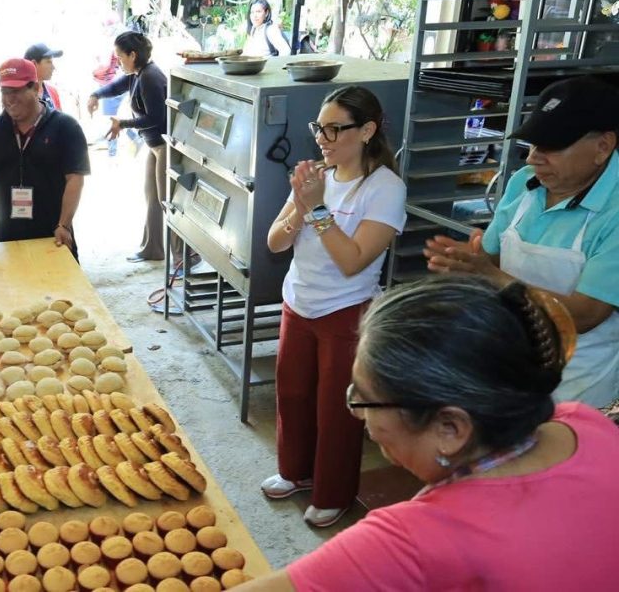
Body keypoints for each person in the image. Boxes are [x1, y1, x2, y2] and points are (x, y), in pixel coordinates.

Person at [232, 275, 619, 591]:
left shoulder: (415, 541)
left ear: (450, 429)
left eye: (365, 400)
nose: (358, 415)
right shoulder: (585, 422)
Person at [425, 75, 619, 408]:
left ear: (602, 146)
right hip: (506, 364)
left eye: (551, 146)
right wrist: (466, 262)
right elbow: (490, 257)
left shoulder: (613, 210)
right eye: (532, 145)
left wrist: (493, 277)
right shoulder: (524, 183)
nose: (533, 158)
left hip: (576, 387)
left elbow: (585, 314)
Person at [263, 86, 406, 528]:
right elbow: (275, 242)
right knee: (292, 393)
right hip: (299, 301)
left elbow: (352, 261)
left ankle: (333, 493)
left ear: (366, 130)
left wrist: (317, 207)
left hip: (346, 310)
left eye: (334, 129)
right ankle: (295, 472)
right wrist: (300, 207)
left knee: (337, 410)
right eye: (319, 128)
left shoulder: (384, 188)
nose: (322, 138)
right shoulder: (318, 174)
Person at [0, 58, 90, 259]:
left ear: (35, 88)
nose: (9, 99)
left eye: (16, 91)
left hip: (55, 236)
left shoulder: (65, 127)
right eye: (5, 92)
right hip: (8, 238)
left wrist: (64, 224)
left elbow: (75, 179)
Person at [88, 31, 178, 263]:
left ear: (133, 55)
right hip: (154, 145)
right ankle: (153, 248)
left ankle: (187, 256)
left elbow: (156, 118)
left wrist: (123, 123)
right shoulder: (136, 74)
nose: (118, 62)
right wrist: (95, 95)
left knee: (166, 200)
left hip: (165, 145)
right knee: (152, 197)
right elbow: (115, 87)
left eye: (120, 57)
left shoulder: (149, 77)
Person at [25, 43, 64, 110]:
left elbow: (60, 116)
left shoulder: (53, 92)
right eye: (48, 62)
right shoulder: (19, 94)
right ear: (34, 64)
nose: (53, 67)